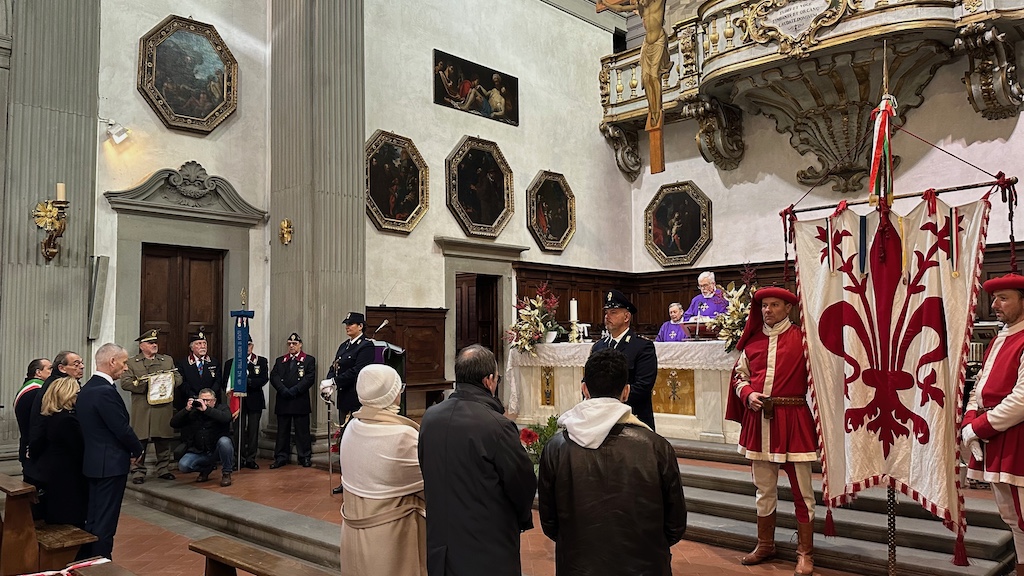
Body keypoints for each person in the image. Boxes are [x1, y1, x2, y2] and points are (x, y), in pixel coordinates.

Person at [538, 348, 686, 574]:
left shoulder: (557, 447)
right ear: (626, 391)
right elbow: (675, 525)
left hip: (579, 566)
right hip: (644, 567)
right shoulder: (656, 446)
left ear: (584, 389)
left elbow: (550, 522)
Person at [418, 344, 536, 576]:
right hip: (486, 544)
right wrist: (521, 518)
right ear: (488, 380)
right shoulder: (497, 426)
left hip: (441, 538)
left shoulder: (430, 418)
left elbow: (426, 465)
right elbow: (522, 483)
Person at [725, 287, 817, 575]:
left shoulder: (805, 340)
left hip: (795, 421)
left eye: (774, 305)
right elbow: (739, 377)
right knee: (764, 490)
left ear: (787, 308)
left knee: (803, 492)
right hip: (760, 422)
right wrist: (748, 394)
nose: (767, 310)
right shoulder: (752, 342)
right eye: (764, 306)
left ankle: (805, 552)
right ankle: (765, 544)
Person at [962, 273, 1024, 575]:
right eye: (994, 298)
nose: (995, 304)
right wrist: (970, 418)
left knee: (1023, 516)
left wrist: (978, 428)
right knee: (1013, 517)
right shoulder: (1002, 336)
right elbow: (980, 387)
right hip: (998, 435)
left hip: (1017, 437)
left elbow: (1021, 400)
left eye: (1004, 298)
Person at [339, 364, 425, 576]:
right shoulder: (402, 435)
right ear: (392, 394)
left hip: (353, 536)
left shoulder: (352, 427)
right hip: (390, 540)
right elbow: (433, 478)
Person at [77, 343, 144, 559]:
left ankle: (90, 560)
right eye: (124, 363)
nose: (126, 368)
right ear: (112, 361)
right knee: (105, 521)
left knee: (94, 517)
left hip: (94, 462)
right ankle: (101, 564)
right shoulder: (104, 392)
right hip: (111, 464)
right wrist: (137, 448)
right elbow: (121, 428)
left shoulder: (87, 388)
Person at [320, 311, 376, 493]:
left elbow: (358, 371)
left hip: (357, 399)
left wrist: (335, 382)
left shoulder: (366, 346)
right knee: (345, 441)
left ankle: (359, 481)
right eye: (346, 323)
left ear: (360, 326)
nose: (347, 326)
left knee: (357, 442)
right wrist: (327, 383)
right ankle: (346, 481)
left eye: (351, 324)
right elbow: (335, 366)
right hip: (344, 399)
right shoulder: (344, 346)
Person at [590, 289, 659, 430]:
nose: (607, 316)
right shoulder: (598, 346)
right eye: (606, 312)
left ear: (626, 317)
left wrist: (610, 402)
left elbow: (643, 386)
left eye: (613, 312)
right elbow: (589, 380)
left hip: (632, 419)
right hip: (600, 421)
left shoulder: (642, 346)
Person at [121, 329, 181, 484]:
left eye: (155, 342)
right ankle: (137, 470)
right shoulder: (132, 363)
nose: (154, 345)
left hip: (163, 406)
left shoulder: (166, 360)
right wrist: (149, 384)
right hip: (143, 407)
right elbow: (126, 382)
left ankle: (163, 469)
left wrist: (166, 383)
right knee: (140, 440)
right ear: (141, 346)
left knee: (163, 439)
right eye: (150, 343)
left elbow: (178, 378)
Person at [597, 0, 669, 128]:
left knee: (653, 76)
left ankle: (657, 111)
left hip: (658, 40)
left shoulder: (657, 2)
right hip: (647, 44)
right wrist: (605, 3)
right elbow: (619, 8)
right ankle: (652, 109)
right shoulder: (640, 8)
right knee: (646, 79)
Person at [33, 376, 89, 528]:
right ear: (68, 395)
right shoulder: (67, 420)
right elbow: (80, 449)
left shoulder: (51, 417)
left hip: (54, 473)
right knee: (70, 520)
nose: (79, 396)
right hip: (67, 477)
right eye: (77, 393)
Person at [269, 332, 316, 468]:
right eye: (289, 343)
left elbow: (309, 378)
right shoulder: (280, 361)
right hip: (283, 400)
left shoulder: (308, 360)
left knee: (302, 432)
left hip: (299, 400)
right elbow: (274, 377)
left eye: (294, 344)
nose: (291, 346)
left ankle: (305, 457)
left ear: (300, 345)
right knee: (282, 431)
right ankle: (281, 457)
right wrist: (283, 390)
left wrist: (294, 390)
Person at [170, 388, 234, 486]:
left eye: (208, 400)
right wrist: (186, 409)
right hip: (199, 451)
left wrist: (207, 410)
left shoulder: (222, 407)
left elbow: (226, 418)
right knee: (183, 466)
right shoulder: (194, 412)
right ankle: (206, 469)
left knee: (225, 442)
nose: (205, 403)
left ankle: (226, 473)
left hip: (216, 450)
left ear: (214, 400)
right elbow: (173, 423)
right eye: (202, 400)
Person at [224, 335, 269, 470]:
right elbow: (226, 383)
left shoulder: (260, 361)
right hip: (238, 401)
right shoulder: (231, 364)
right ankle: (239, 457)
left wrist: (247, 382)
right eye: (243, 345)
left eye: (249, 345)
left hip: (254, 400)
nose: (246, 348)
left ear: (252, 346)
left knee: (253, 430)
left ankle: (251, 458)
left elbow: (263, 379)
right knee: (238, 430)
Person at [15, 358, 51, 494]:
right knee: (36, 494)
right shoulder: (35, 392)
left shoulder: (27, 388)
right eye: (49, 369)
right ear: (38, 372)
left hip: (29, 445)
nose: (52, 372)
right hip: (34, 450)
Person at [175, 331, 222, 409]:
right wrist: (196, 397)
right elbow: (182, 384)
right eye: (199, 343)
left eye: (204, 343)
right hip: (190, 403)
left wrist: (208, 397)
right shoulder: (183, 364)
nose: (203, 346)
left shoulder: (214, 362)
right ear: (192, 347)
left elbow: (218, 381)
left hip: (210, 404)